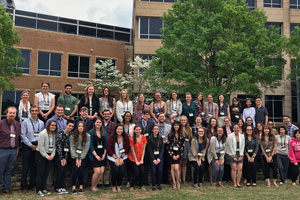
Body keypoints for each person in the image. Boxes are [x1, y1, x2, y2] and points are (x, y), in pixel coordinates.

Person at [20, 105, 44, 193]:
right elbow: (22, 135)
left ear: (38, 112)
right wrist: (30, 145)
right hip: (27, 146)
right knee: (25, 167)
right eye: (32, 111)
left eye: (36, 111)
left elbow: (42, 135)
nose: (34, 112)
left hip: (37, 146)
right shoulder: (25, 122)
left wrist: (38, 146)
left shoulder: (41, 123)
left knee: (35, 167)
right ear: (30, 112)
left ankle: (32, 185)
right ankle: (23, 187)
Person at [0, 107, 21, 195]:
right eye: (10, 113)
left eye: (14, 113)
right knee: (0, 170)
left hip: (13, 150)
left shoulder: (18, 124)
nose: (12, 115)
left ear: (16, 114)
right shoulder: (1, 123)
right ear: (7, 114)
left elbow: (18, 138)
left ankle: (7, 188)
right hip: (3, 150)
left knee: (9, 170)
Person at [36, 120, 57, 196]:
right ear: (48, 125)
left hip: (50, 155)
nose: (53, 127)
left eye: (54, 125)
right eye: (52, 125)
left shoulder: (54, 134)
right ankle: (38, 190)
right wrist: (47, 156)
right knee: (40, 173)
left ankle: (43, 189)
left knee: (46, 173)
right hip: (41, 155)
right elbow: (41, 147)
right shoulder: (43, 133)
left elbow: (55, 146)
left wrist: (52, 155)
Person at [107, 124, 130, 192]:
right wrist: (116, 158)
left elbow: (127, 148)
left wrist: (121, 158)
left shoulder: (125, 137)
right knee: (115, 170)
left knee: (121, 171)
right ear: (116, 130)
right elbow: (109, 148)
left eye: (121, 129)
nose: (119, 130)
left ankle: (119, 185)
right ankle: (113, 185)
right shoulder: (111, 137)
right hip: (113, 157)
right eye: (118, 129)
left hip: (123, 157)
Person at [70, 121, 90, 194]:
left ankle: (81, 186)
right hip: (74, 156)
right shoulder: (72, 136)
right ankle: (73, 187)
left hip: (83, 156)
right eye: (79, 126)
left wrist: (81, 158)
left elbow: (86, 148)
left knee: (81, 170)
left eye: (82, 126)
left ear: (84, 127)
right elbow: (72, 147)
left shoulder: (88, 136)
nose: (80, 127)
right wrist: (76, 158)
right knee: (75, 170)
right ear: (77, 127)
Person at [54, 120, 74, 194]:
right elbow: (58, 146)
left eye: (72, 126)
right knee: (60, 170)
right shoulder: (60, 133)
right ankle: (57, 187)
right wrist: (61, 158)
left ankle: (62, 187)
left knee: (64, 171)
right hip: (58, 155)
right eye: (69, 126)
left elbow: (68, 147)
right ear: (66, 125)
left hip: (66, 155)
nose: (71, 127)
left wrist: (65, 158)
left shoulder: (71, 134)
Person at [88, 118, 107, 192]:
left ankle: (95, 186)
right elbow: (90, 145)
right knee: (97, 171)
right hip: (94, 154)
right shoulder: (91, 133)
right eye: (97, 122)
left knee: (102, 171)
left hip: (102, 154)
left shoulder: (104, 132)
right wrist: (96, 155)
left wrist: (104, 155)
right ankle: (92, 186)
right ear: (94, 123)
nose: (98, 124)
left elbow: (105, 144)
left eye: (99, 122)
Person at [136, 110, 154, 186]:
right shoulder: (137, 123)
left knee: (146, 164)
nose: (146, 116)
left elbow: (152, 134)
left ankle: (145, 181)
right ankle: (138, 181)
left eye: (147, 114)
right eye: (144, 114)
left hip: (148, 145)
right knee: (138, 163)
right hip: (139, 145)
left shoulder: (151, 123)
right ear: (142, 115)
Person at [128, 125, 147, 191]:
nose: (138, 131)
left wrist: (142, 159)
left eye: (139, 129)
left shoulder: (144, 137)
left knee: (142, 172)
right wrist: (136, 161)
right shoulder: (132, 139)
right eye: (136, 130)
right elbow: (132, 151)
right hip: (133, 158)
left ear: (141, 130)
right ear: (134, 131)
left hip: (141, 158)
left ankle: (141, 185)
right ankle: (132, 185)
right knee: (136, 172)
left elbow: (144, 149)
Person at [167, 121, 185, 189]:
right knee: (172, 168)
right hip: (171, 154)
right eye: (175, 125)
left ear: (179, 126)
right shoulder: (170, 135)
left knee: (176, 168)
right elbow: (169, 146)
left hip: (178, 154)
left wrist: (178, 155)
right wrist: (172, 155)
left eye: (177, 125)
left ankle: (178, 181)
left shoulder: (182, 135)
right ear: (173, 126)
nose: (176, 126)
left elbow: (182, 146)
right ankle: (174, 182)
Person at [148, 125, 164, 190]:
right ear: (152, 130)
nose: (156, 130)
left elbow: (162, 149)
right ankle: (154, 185)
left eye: (157, 129)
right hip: (153, 158)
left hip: (159, 158)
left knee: (159, 171)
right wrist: (153, 159)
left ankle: (159, 184)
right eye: (155, 129)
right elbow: (149, 150)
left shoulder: (161, 138)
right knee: (153, 171)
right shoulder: (149, 138)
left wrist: (159, 158)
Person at [157, 113, 172, 184]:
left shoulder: (169, 126)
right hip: (158, 146)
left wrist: (167, 141)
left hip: (166, 146)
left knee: (166, 163)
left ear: (165, 118)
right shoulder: (155, 126)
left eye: (163, 116)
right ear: (158, 118)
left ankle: (166, 179)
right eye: (160, 117)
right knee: (159, 162)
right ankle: (159, 179)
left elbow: (171, 136)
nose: (162, 118)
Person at [179, 115, 193, 184]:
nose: (183, 121)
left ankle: (184, 179)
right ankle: (179, 179)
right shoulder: (177, 128)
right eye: (182, 120)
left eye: (184, 120)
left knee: (184, 164)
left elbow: (190, 138)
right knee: (179, 163)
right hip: (179, 146)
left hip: (187, 146)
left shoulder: (189, 129)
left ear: (186, 121)